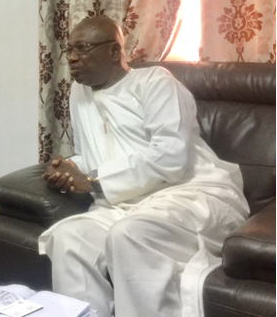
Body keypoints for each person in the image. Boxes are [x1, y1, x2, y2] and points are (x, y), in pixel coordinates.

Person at [38, 17, 249, 317]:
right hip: (124, 203)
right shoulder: (78, 92)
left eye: (82, 48)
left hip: (189, 194)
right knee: (69, 238)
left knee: (127, 234)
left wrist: (93, 181)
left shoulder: (156, 83)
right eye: (69, 49)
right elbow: (92, 154)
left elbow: (170, 158)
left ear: (114, 51)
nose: (71, 57)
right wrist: (69, 168)